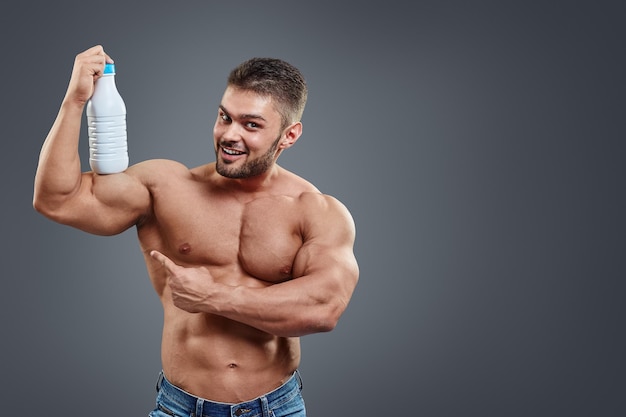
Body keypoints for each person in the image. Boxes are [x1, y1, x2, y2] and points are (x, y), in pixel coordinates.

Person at [33, 45, 359, 417]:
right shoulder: (167, 187)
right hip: (181, 407)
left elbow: (324, 308)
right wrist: (75, 100)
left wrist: (214, 298)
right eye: (225, 117)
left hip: (277, 407)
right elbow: (57, 200)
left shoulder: (315, 209)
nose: (229, 135)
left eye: (251, 125)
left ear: (289, 135)